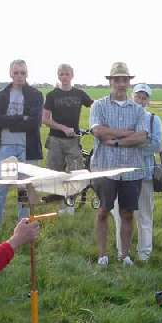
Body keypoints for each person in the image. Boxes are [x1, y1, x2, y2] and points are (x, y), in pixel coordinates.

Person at [89, 62, 147, 266]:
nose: (121, 84)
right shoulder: (99, 106)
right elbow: (97, 131)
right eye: (117, 79)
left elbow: (141, 137)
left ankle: (125, 255)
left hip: (131, 170)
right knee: (103, 210)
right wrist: (126, 133)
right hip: (105, 168)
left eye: (125, 80)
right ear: (110, 82)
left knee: (127, 213)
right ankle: (102, 255)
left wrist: (115, 140)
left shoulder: (138, 110)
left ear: (129, 82)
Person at [0, 59, 44, 233]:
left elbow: (34, 123)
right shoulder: (1, 95)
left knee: (24, 194)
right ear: (10, 73)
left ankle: (24, 233)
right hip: (7, 150)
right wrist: (20, 119)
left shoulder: (35, 95)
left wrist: (8, 122)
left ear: (27, 74)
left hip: (27, 149)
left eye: (23, 73)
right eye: (16, 72)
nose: (19, 76)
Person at [112, 83, 162, 261]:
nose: (140, 100)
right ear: (131, 97)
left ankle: (144, 254)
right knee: (120, 215)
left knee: (145, 215)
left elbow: (156, 145)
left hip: (144, 174)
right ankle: (122, 253)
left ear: (148, 101)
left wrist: (130, 144)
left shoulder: (154, 120)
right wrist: (137, 142)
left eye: (144, 98)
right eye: (137, 97)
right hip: (122, 175)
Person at [42, 63, 93, 214]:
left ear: (72, 75)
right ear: (58, 76)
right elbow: (45, 119)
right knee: (55, 174)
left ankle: (69, 206)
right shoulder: (51, 95)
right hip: (55, 140)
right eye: (61, 74)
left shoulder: (79, 94)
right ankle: (61, 205)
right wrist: (63, 128)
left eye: (67, 74)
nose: (64, 77)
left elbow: (95, 106)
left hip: (73, 142)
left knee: (76, 173)